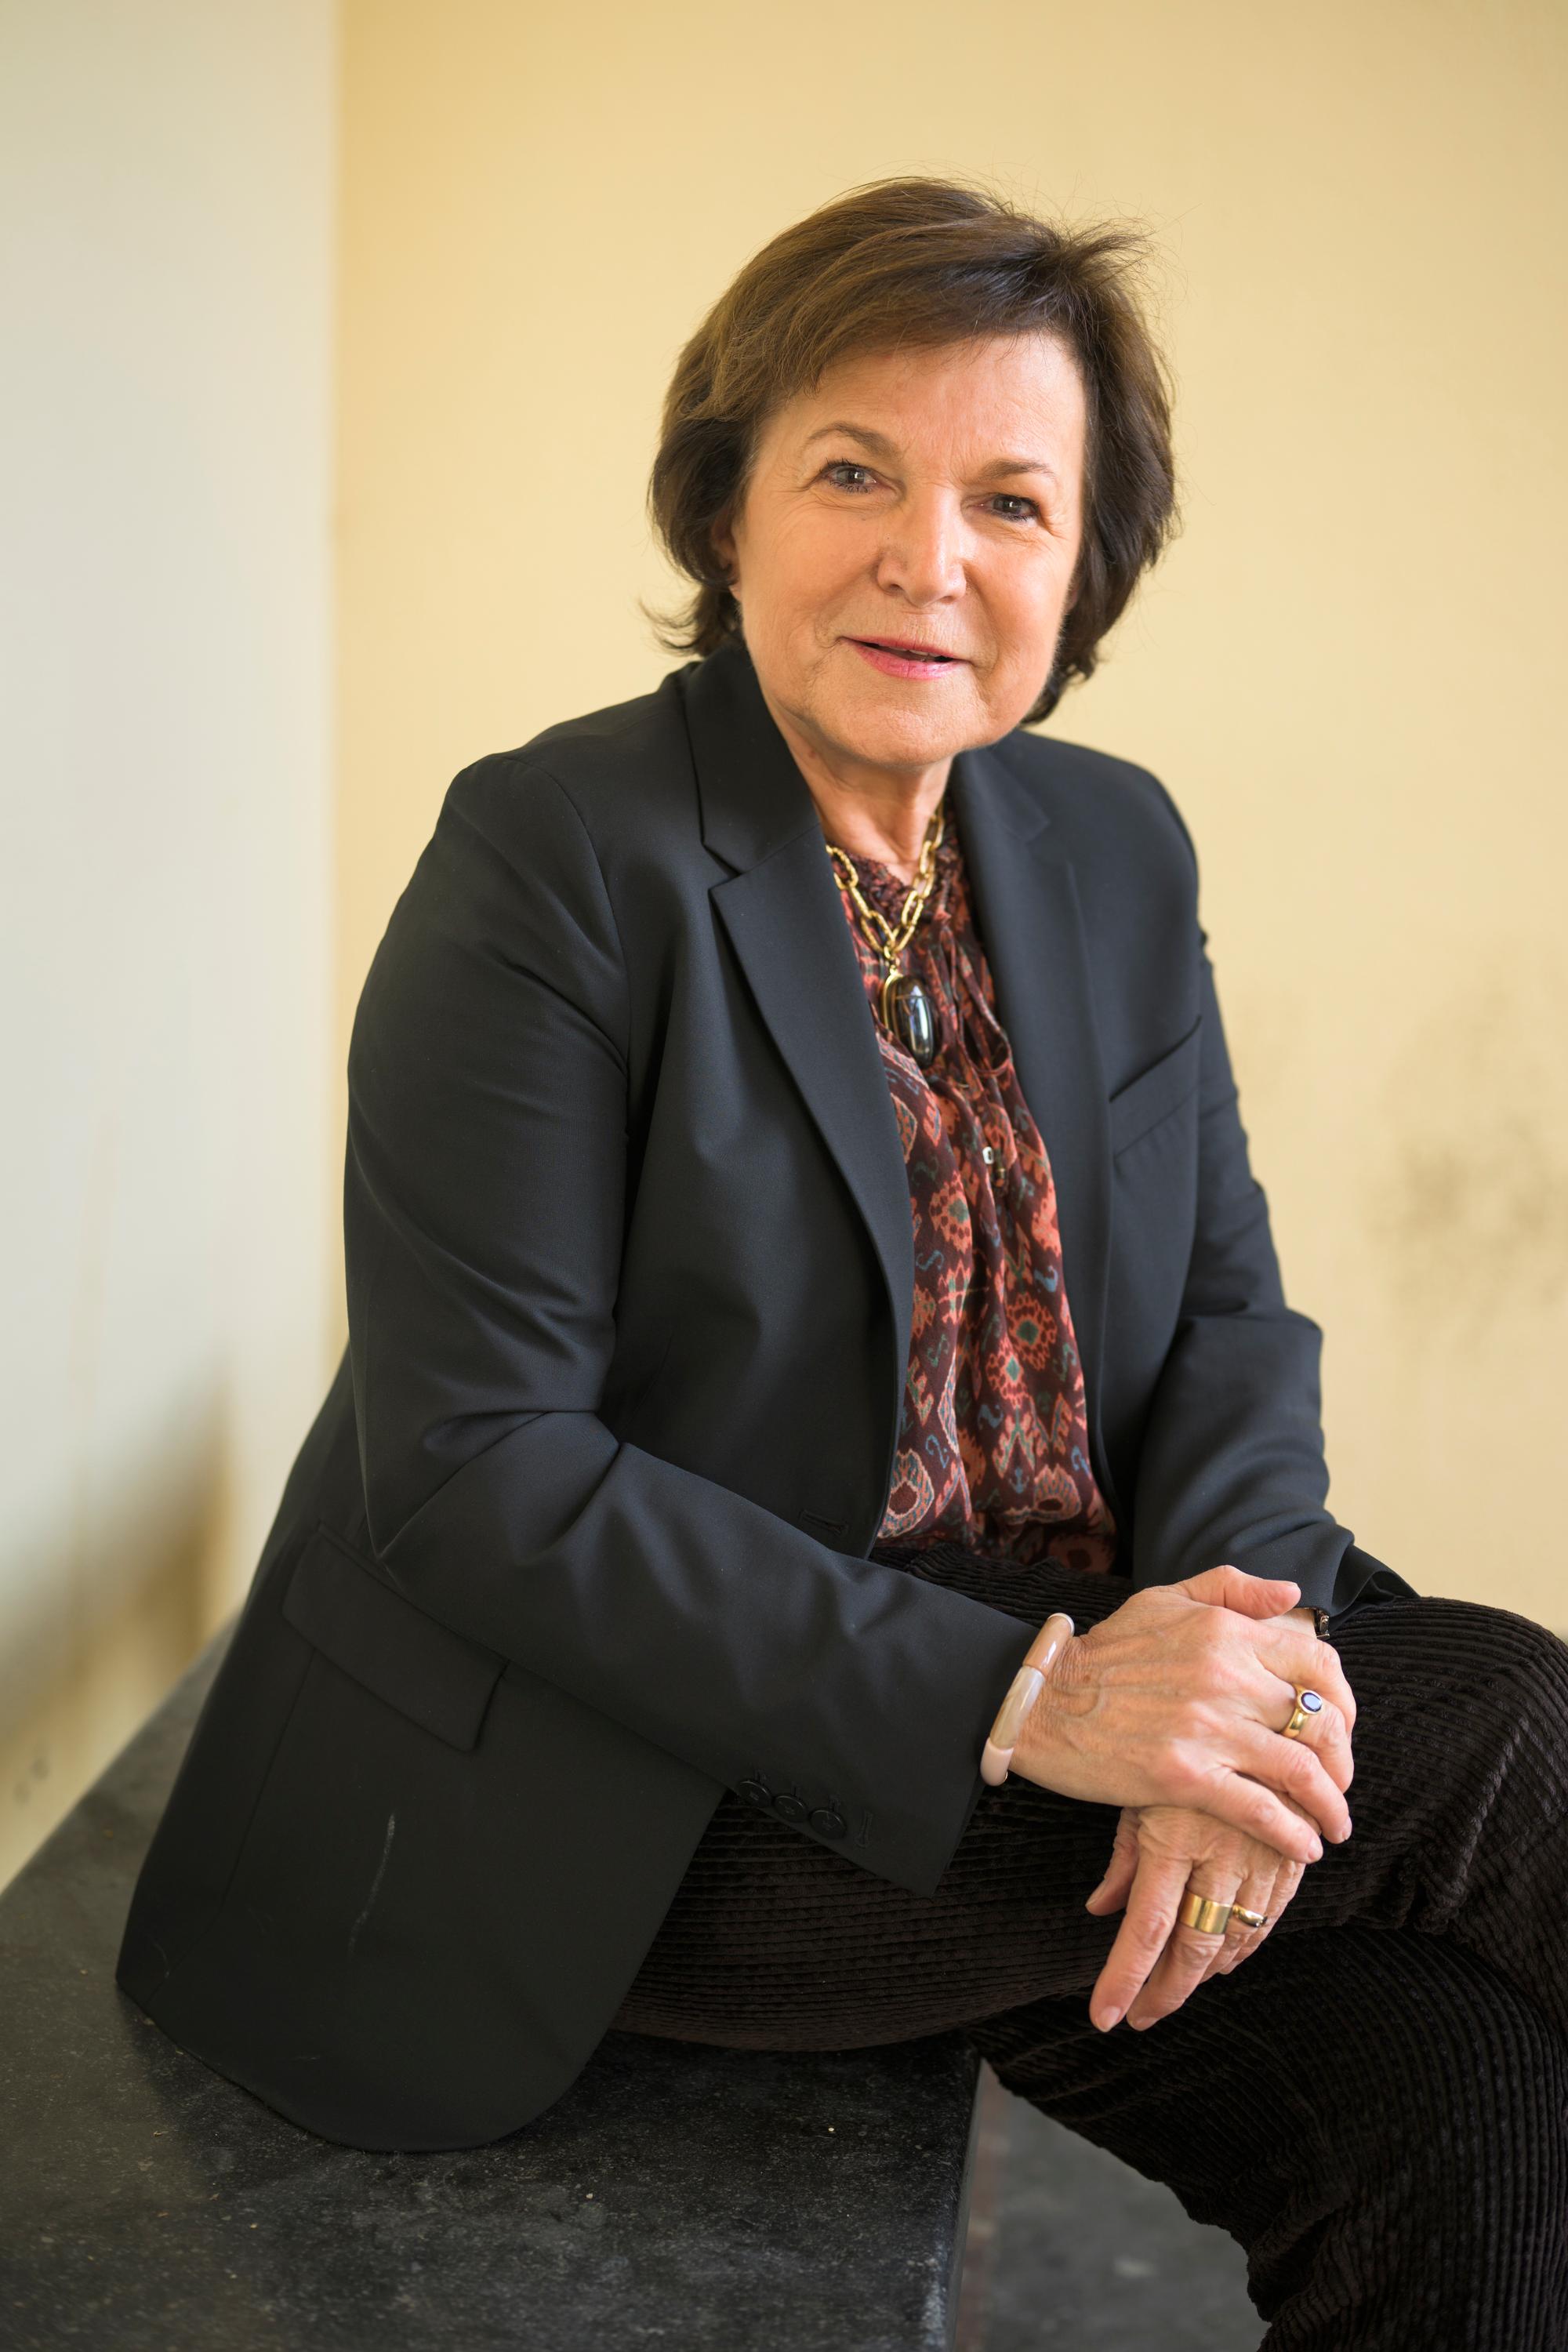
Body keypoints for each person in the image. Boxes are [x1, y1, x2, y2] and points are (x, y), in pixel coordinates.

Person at [118, 179, 1567, 2343]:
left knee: (1466, 2127)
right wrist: (1048, 1698)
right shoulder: (554, 859)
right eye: (854, 473)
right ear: (729, 513)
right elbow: (479, 1472)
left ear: (1083, 569)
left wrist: (1225, 1662)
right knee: (1509, 1728)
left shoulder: (1109, 842)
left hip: (1067, 1697)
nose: (931, 557)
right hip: (661, 1768)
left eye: (1010, 498)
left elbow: (1231, 1321)